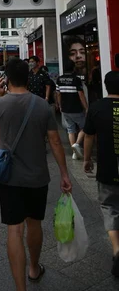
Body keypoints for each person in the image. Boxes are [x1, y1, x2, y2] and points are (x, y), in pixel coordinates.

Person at [0, 59, 71, 291]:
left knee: (14, 229)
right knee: (35, 223)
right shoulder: (42, 105)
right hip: (37, 176)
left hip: (9, 177)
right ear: (28, 77)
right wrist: (64, 173)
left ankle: (20, 289)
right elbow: (55, 141)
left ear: (8, 79)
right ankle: (34, 268)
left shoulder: (0, 104)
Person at [83, 71, 119, 277]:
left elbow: (88, 136)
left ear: (105, 86)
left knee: (110, 208)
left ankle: (117, 249)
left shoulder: (96, 107)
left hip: (107, 169)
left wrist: (87, 160)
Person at [56, 60, 88, 160]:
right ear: (73, 67)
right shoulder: (76, 79)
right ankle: (77, 144)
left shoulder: (59, 79)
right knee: (84, 127)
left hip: (65, 108)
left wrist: (60, 105)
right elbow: (81, 95)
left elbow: (58, 94)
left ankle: (74, 152)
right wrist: (86, 108)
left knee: (70, 130)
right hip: (76, 108)